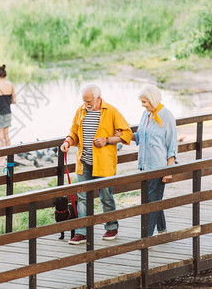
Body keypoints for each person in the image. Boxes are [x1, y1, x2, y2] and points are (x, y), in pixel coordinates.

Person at [60, 84, 133, 244]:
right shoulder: (80, 111)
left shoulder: (111, 111)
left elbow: (128, 134)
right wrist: (67, 141)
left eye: (88, 101)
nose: (86, 104)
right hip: (84, 162)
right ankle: (81, 232)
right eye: (84, 101)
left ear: (98, 98)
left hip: (104, 163)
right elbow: (74, 132)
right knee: (82, 198)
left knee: (106, 196)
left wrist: (107, 140)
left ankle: (111, 227)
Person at [131, 84, 177, 237]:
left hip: (159, 166)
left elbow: (172, 145)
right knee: (153, 199)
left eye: (145, 102)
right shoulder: (146, 114)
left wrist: (169, 170)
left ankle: (147, 237)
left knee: (150, 202)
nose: (143, 105)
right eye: (142, 102)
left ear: (153, 99)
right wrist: (125, 135)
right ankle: (162, 230)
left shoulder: (167, 116)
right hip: (145, 165)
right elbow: (140, 136)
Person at [0, 64, 16, 166]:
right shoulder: (11, 85)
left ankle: (0, 160)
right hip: (7, 112)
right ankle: (9, 160)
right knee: (7, 136)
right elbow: (14, 101)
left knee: (0, 138)